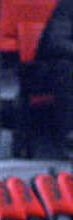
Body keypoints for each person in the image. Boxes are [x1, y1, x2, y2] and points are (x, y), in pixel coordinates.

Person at [35, 0, 73, 158]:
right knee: (65, 70)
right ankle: (69, 136)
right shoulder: (68, 5)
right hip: (61, 64)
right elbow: (56, 41)